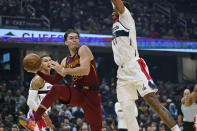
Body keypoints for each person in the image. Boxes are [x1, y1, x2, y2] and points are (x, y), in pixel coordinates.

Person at [111, 0, 181, 131]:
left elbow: (117, 3)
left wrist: (117, 5)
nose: (113, 10)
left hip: (134, 65)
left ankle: (176, 129)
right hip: (121, 71)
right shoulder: (116, 22)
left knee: (152, 101)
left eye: (116, 8)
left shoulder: (126, 18)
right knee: (127, 109)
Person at [18, 29, 102, 131]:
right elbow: (54, 80)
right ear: (66, 42)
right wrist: (37, 71)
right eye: (71, 38)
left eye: (76, 38)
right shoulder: (65, 61)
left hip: (92, 93)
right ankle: (33, 121)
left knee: (96, 127)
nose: (74, 40)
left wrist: (63, 70)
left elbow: (85, 70)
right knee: (56, 88)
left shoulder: (83, 49)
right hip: (78, 92)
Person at [27, 55, 54, 130]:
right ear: (40, 64)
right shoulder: (38, 79)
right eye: (45, 61)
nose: (49, 62)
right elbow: (30, 102)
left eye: (50, 60)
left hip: (44, 115)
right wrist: (45, 116)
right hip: (37, 116)